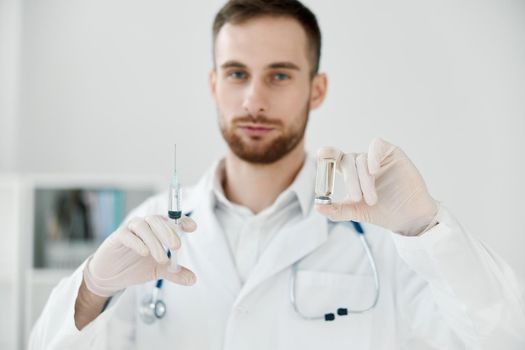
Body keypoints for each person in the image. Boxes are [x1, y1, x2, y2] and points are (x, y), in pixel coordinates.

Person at [29, 0, 525, 349]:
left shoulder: (384, 239)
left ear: (317, 89)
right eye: (237, 73)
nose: (254, 100)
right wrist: (92, 289)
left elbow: (502, 338)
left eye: (280, 74)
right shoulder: (149, 229)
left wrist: (427, 227)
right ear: (213, 83)